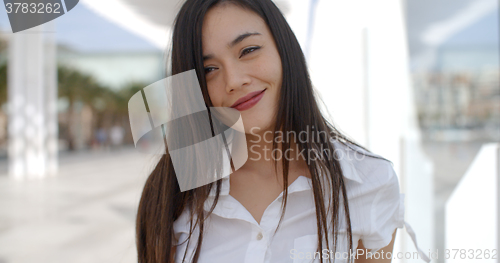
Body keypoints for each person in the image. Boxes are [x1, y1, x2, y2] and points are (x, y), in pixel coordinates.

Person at [135, 0, 430, 262]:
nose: (234, 80)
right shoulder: (171, 193)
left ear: (284, 49)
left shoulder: (368, 183)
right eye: (209, 69)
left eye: (248, 50)